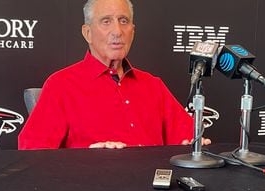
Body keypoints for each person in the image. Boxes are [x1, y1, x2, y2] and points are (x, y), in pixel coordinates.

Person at [18, 0, 210, 149]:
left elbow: (188, 139)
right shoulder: (61, 84)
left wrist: (194, 147)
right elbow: (32, 152)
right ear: (87, 33)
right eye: (106, 21)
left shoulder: (153, 85)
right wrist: (82, 159)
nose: (117, 31)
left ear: (132, 32)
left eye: (123, 21)